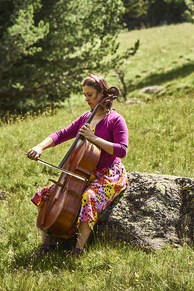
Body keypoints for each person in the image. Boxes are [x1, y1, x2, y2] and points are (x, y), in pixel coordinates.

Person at [26, 74, 129, 257]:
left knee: (88, 197)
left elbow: (121, 150)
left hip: (109, 172)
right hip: (85, 172)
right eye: (85, 95)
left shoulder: (115, 119)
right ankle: (46, 244)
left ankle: (78, 249)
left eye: (90, 94)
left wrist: (93, 138)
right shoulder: (85, 118)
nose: (87, 99)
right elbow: (61, 134)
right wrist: (39, 147)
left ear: (102, 93)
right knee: (47, 193)